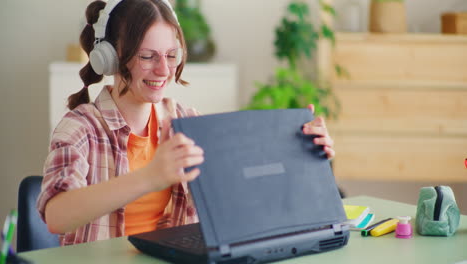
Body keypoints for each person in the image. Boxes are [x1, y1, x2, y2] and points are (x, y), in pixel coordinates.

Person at [37, 0, 336, 246]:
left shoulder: (187, 122)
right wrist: (152, 176)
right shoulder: (80, 129)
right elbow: (56, 215)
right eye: (147, 56)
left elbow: (243, 197)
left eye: (171, 55)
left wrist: (301, 152)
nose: (164, 69)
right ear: (112, 58)